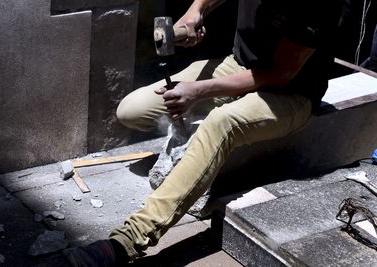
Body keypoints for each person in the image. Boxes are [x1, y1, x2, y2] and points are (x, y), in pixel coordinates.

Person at [64, 0, 346, 266]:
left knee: (222, 123)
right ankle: (195, 157)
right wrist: (196, 11)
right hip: (238, 66)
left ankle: (127, 241)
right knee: (132, 110)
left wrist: (198, 92)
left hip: (289, 92)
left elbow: (280, 73)